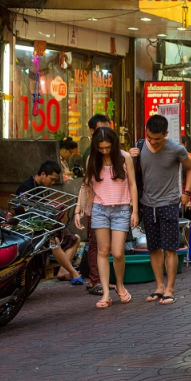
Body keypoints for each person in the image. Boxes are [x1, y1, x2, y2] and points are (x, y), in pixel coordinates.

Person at [130, 115, 191, 305]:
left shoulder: (176, 149)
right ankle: (159, 287)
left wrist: (187, 193)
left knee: (170, 248)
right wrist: (131, 156)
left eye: (157, 139)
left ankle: (170, 289)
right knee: (154, 248)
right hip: (147, 204)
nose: (153, 142)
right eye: (150, 137)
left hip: (169, 204)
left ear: (166, 134)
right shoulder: (140, 147)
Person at [74, 127, 138, 309]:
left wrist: (134, 211)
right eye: (101, 148)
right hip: (99, 209)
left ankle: (119, 285)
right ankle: (106, 293)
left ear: (114, 144)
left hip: (122, 209)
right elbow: (86, 186)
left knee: (117, 253)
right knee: (102, 251)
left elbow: (133, 185)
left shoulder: (124, 157)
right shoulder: (92, 159)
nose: (104, 151)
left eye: (108, 147)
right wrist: (78, 209)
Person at [16, 161, 83, 285]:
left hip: (46, 224)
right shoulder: (27, 187)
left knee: (76, 238)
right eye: (51, 179)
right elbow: (21, 211)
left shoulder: (43, 188)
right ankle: (73, 272)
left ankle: (64, 271)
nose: (52, 183)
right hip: (32, 228)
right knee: (54, 241)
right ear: (43, 174)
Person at [81, 114, 113, 296]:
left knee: (107, 246)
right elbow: (86, 185)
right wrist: (82, 207)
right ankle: (96, 280)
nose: (105, 134)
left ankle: (103, 279)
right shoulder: (91, 153)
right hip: (97, 204)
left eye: (108, 130)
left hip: (113, 204)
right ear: (92, 132)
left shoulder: (111, 151)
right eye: (102, 130)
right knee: (96, 243)